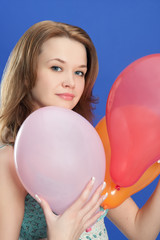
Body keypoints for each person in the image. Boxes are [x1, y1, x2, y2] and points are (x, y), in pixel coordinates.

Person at [0, 20, 159, 240]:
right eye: (57, 68)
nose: (70, 82)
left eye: (79, 73)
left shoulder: (90, 146)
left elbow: (141, 231)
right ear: (26, 75)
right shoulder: (10, 159)